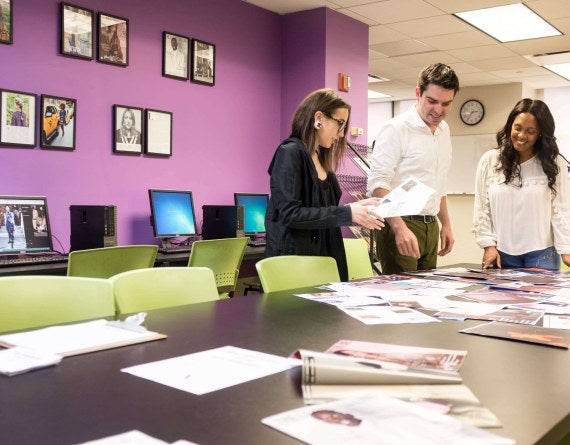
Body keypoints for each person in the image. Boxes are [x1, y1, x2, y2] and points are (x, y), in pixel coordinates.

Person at [265, 88, 384, 282]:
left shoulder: (321, 158)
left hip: (325, 259)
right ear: (319, 117)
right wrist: (347, 213)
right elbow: (290, 214)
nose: (341, 133)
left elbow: (323, 212)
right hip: (295, 265)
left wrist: (353, 209)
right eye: (340, 123)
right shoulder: (290, 153)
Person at [367, 63, 460, 274]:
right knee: (404, 300)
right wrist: (399, 228)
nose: (438, 110)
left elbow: (439, 184)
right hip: (400, 222)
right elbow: (377, 184)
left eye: (446, 103)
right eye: (432, 101)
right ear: (418, 93)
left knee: (426, 295)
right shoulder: (396, 129)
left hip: (430, 224)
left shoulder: (444, 131)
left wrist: (445, 224)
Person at [473, 98, 570, 271]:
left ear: (541, 133)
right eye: (517, 128)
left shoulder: (555, 163)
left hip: (542, 253)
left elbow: (562, 209)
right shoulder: (490, 160)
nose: (522, 135)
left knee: (542, 299)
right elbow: (482, 208)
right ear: (510, 125)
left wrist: (566, 249)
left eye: (530, 131)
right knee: (499, 298)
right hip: (500, 253)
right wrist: (488, 244)